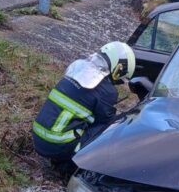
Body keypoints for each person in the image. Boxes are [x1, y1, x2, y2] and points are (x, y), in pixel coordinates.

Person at [32, 42, 135, 177]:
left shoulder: (78, 69)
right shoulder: (107, 91)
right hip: (56, 146)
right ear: (119, 68)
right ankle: (71, 166)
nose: (118, 82)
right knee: (111, 127)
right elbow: (104, 123)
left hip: (38, 138)